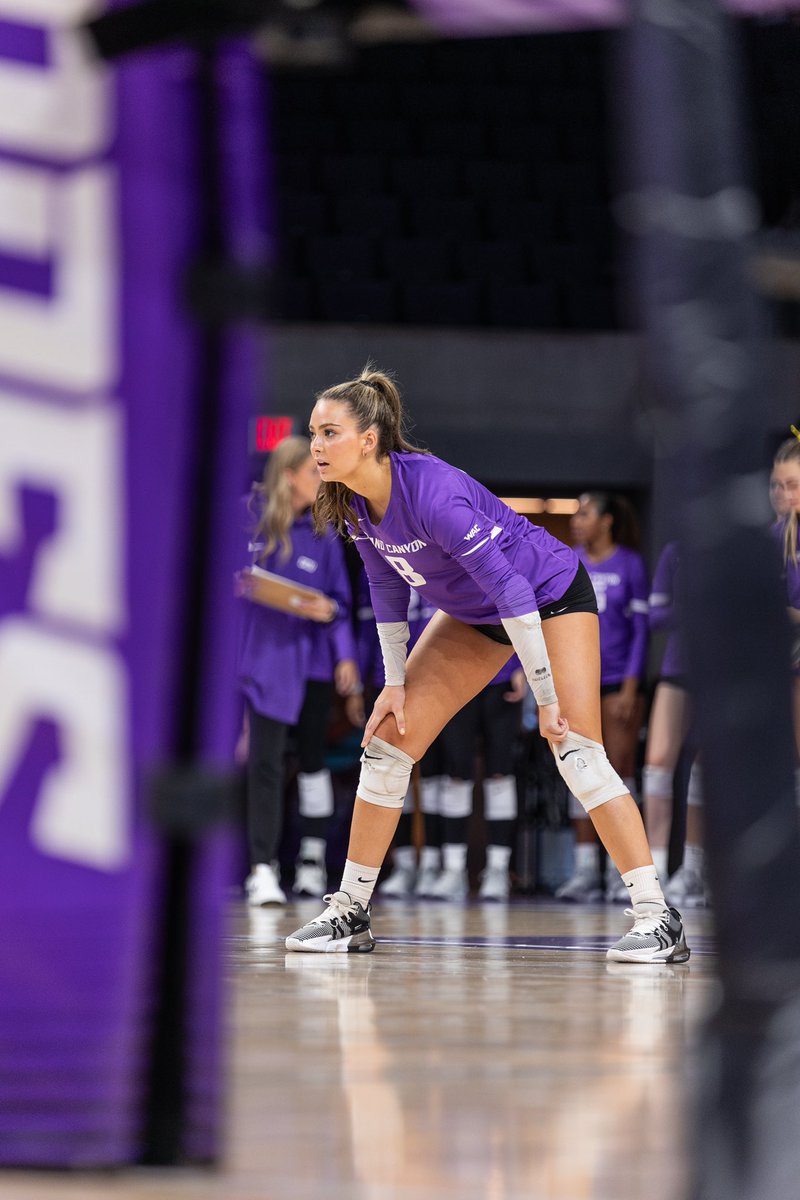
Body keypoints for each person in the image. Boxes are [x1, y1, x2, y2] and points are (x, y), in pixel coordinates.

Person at [284, 367, 689, 963]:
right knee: (389, 741)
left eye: (329, 432)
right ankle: (350, 909)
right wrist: (394, 685)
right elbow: (386, 590)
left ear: (368, 439)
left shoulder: (434, 494)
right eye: (313, 433)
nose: (315, 445)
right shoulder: (353, 505)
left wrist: (545, 698)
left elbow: (515, 594)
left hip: (547, 593)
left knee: (576, 750)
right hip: (476, 611)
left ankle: (658, 917)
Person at [236, 436, 358, 906]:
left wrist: (340, 644)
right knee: (239, 763)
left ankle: (292, 864)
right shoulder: (244, 514)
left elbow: (339, 604)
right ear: (288, 475)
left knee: (294, 762)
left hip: (295, 664)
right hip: (240, 658)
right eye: (313, 472)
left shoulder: (324, 536)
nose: (320, 481)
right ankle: (246, 868)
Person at [555, 492, 650, 903]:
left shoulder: (629, 564)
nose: (577, 521)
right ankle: (583, 870)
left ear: (608, 521)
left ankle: (620, 873)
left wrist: (631, 687)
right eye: (576, 514)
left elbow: (642, 632)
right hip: (578, 682)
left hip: (616, 682)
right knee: (579, 770)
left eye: (586, 513)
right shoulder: (568, 561)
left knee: (619, 771)